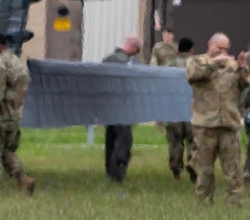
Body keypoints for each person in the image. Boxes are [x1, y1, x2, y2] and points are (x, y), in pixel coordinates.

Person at [184, 32, 244, 205]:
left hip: (229, 123)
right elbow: (193, 76)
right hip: (205, 124)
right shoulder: (196, 61)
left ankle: (234, 202)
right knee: (205, 168)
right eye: (220, 48)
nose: (223, 52)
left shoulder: (232, 65)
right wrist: (213, 63)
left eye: (226, 49)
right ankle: (204, 202)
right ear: (210, 44)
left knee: (232, 168)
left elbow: (243, 84)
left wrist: (243, 68)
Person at [0, 33, 34, 195]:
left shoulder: (0, 64)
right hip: (15, 115)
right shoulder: (18, 63)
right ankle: (24, 180)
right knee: (6, 152)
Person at [152, 31, 194, 181]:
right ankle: (193, 162)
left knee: (175, 142)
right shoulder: (196, 65)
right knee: (193, 141)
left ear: (178, 49)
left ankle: (176, 169)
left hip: (174, 110)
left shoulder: (169, 66)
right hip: (192, 110)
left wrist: (160, 115)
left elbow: (162, 91)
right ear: (191, 49)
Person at [99, 33, 142, 182]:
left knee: (111, 138)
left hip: (109, 106)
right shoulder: (121, 62)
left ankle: (110, 172)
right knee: (124, 140)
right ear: (132, 47)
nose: (136, 54)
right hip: (121, 108)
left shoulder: (108, 58)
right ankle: (118, 172)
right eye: (137, 50)